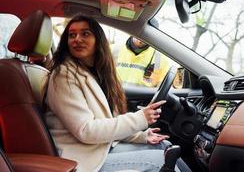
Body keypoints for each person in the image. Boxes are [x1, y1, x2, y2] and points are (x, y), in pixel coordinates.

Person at [45, 15, 182, 172]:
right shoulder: (64, 75)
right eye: (72, 35)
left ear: (98, 40)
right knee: (161, 160)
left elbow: (105, 122)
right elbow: (86, 130)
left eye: (85, 34)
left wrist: (141, 136)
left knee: (162, 146)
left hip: (100, 148)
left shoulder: (93, 73)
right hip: (83, 159)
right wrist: (140, 118)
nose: (77, 39)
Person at [113, 19, 170, 87]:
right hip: (114, 96)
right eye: (139, 31)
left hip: (144, 97)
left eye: (146, 34)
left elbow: (161, 87)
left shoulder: (160, 59)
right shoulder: (114, 50)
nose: (141, 36)